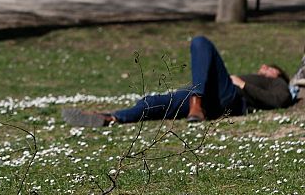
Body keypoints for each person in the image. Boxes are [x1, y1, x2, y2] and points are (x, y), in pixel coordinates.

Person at [63, 36, 293, 127]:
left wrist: (242, 85)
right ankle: (112, 117)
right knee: (156, 101)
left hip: (230, 99)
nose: (263, 68)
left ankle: (196, 102)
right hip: (210, 99)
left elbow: (280, 99)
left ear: (278, 74)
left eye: (269, 68)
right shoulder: (261, 78)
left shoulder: (278, 84)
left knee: (201, 43)